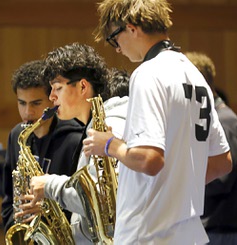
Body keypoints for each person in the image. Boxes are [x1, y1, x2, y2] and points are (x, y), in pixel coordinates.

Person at [81, 0, 233, 244]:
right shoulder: (194, 73)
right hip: (189, 233)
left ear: (131, 29)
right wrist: (177, 183)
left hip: (149, 233)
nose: (117, 49)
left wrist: (109, 144)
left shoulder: (148, 73)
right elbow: (222, 162)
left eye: (114, 39)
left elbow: (150, 159)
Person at [27, 43, 130, 244]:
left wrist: (48, 184)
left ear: (83, 86)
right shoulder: (97, 124)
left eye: (57, 87)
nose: (51, 97)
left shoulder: (109, 125)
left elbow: (102, 202)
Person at [1, 60, 84, 233]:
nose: (27, 112)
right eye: (22, 103)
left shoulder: (74, 140)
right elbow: (9, 197)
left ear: (52, 100)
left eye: (36, 103)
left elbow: (83, 203)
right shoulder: (17, 135)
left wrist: (49, 211)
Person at [185, 51, 237, 245]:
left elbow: (221, 177)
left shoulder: (225, 121)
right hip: (215, 228)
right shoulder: (219, 119)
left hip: (221, 230)